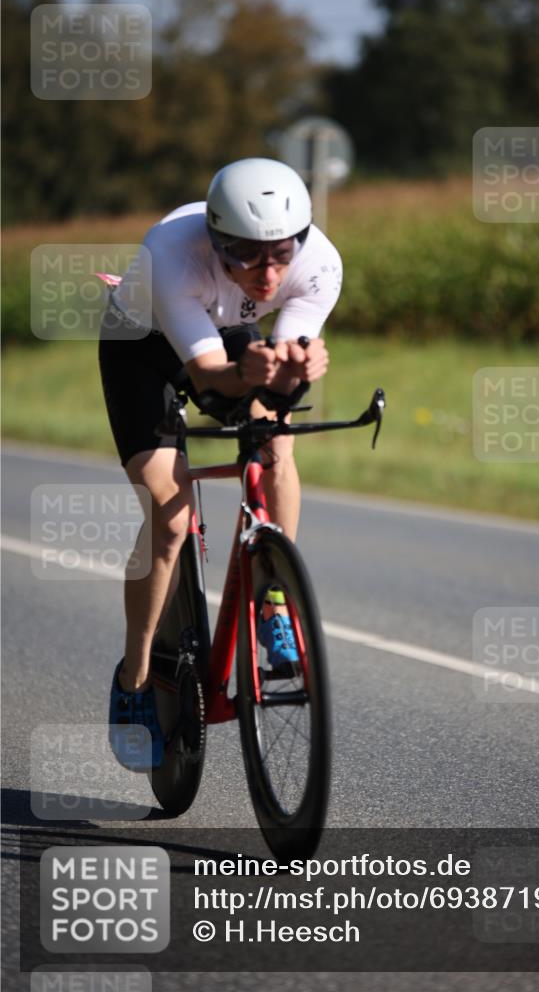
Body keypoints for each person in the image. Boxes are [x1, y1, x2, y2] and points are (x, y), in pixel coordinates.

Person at [100, 157, 342, 768]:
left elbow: (290, 350)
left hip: (226, 333)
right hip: (144, 345)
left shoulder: (320, 265)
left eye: (281, 253)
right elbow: (210, 377)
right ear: (214, 240)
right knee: (170, 515)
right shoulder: (172, 253)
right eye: (245, 255)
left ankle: (274, 602)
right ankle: (134, 675)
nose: (267, 273)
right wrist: (247, 374)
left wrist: (299, 366)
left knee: (276, 446)